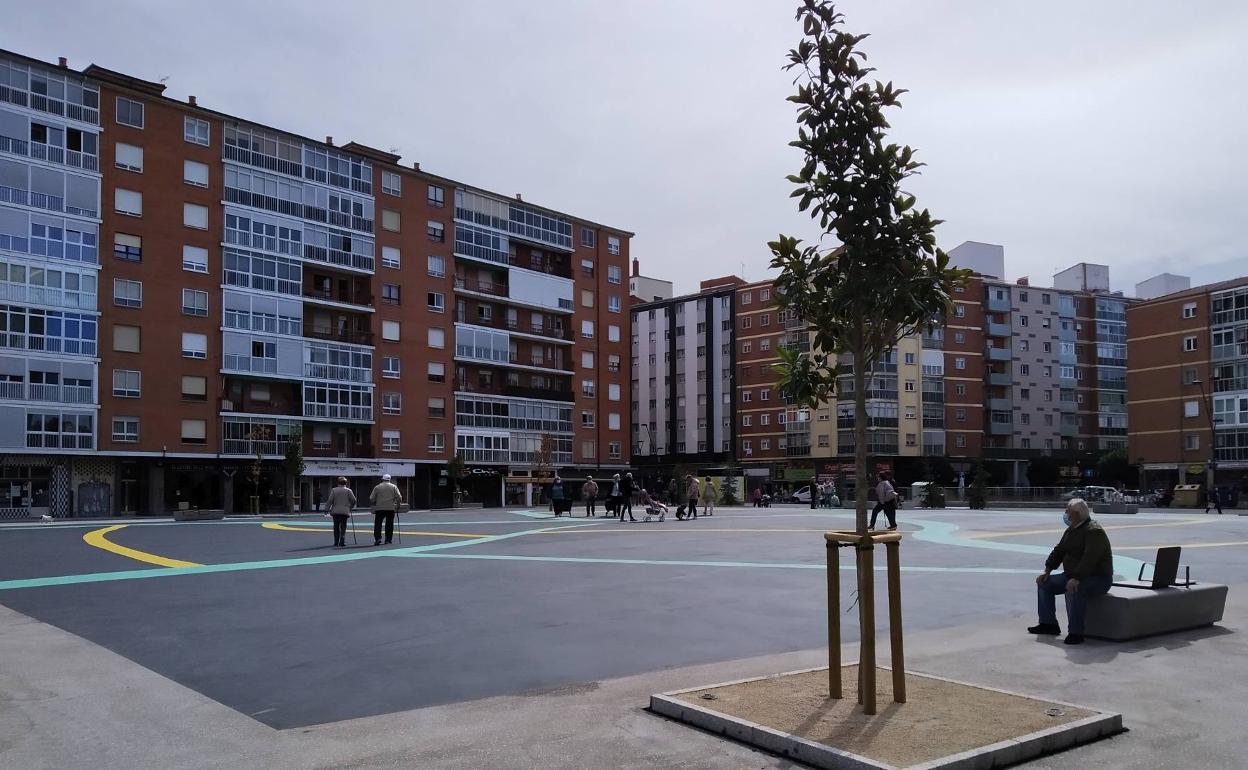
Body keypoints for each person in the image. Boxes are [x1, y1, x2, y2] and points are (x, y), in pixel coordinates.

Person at [1029, 498, 1114, 645]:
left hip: (1098, 578)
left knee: (1074, 588)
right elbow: (1059, 550)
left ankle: (1076, 632)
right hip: (1072, 575)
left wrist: (1076, 578)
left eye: (1067, 511)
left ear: (1076, 514)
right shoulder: (1072, 529)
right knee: (1044, 584)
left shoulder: (1094, 531)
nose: (1065, 514)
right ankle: (1048, 624)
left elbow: (1090, 558)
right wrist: (1047, 570)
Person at [369, 473, 403, 546]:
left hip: (379, 508)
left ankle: (378, 538)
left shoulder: (377, 487)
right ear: (389, 479)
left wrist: (375, 502)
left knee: (378, 524)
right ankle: (388, 539)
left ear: (382, 479)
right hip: (390, 508)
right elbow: (399, 497)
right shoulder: (394, 487)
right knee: (389, 524)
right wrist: (398, 505)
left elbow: (371, 498)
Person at [326, 477, 355, 548]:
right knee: (343, 526)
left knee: (336, 527)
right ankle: (342, 541)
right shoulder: (348, 490)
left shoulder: (334, 490)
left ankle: (336, 541)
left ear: (338, 483)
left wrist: (326, 509)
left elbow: (330, 500)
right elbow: (354, 500)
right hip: (345, 511)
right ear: (346, 483)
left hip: (335, 511)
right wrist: (350, 507)